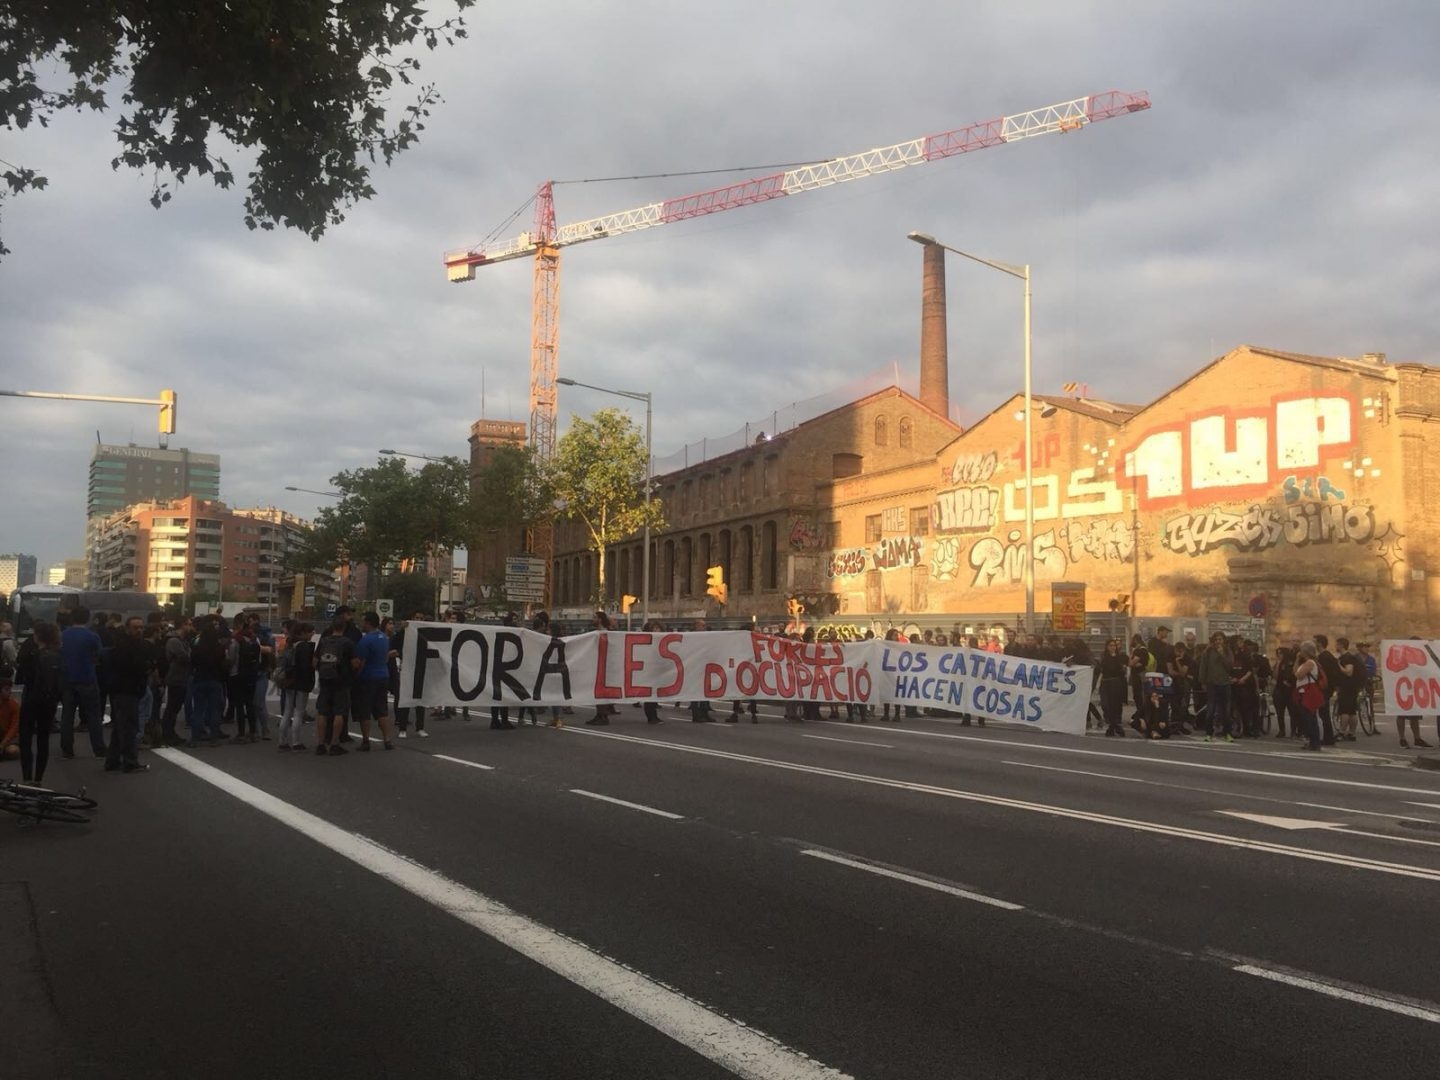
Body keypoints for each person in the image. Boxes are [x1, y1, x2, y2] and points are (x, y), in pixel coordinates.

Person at [14, 621, 63, 783]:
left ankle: (27, 777)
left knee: (26, 739)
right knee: (43, 739)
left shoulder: (33, 655)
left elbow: (21, 678)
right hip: (49, 702)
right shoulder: (58, 655)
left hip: (31, 699)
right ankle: (38, 778)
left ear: (38, 636)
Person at [105, 616, 152, 773]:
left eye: (141, 627)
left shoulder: (129, 645)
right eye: (135, 627)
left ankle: (112, 761)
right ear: (127, 628)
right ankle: (130, 761)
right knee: (129, 727)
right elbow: (135, 667)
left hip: (124, 690)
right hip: (127, 690)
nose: (139, 630)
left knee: (120, 728)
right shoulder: (126, 647)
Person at [59, 606, 106, 759]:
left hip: (67, 678)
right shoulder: (92, 636)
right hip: (87, 677)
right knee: (94, 715)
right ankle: (98, 749)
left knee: (67, 716)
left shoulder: (63, 635)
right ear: (87, 618)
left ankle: (67, 749)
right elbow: (99, 655)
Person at [313, 619, 356, 755]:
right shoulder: (348, 643)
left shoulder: (324, 641)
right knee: (339, 712)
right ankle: (334, 743)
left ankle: (320, 744)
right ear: (344, 628)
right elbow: (355, 663)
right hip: (341, 681)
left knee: (322, 712)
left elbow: (314, 662)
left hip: (325, 680)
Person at [354, 611, 397, 750]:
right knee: (382, 710)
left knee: (365, 711)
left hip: (368, 677)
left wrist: (356, 675)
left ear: (368, 622)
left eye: (363, 621)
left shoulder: (365, 640)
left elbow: (361, 662)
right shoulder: (384, 637)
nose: (362, 624)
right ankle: (387, 740)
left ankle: (366, 741)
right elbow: (385, 657)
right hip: (383, 675)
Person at [187, 619, 228, 747]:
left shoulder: (197, 648)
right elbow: (224, 664)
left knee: (198, 709)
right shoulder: (219, 648)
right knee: (215, 710)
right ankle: (214, 738)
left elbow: (192, 663)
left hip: (199, 679)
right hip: (215, 680)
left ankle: (195, 737)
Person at [278, 622, 316, 751]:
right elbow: (306, 667)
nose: (312, 634)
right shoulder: (305, 647)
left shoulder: (289, 644)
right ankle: (296, 742)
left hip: (289, 680)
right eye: (310, 631)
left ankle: (282, 741)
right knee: (299, 712)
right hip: (301, 682)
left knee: (287, 712)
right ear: (303, 633)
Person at [160, 616, 193, 747]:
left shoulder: (182, 640)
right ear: (182, 625)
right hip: (175, 677)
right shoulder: (174, 640)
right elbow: (185, 657)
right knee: (172, 707)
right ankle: (167, 733)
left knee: (175, 706)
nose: (190, 627)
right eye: (188, 624)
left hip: (181, 676)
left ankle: (170, 732)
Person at [1198, 631, 1233, 741]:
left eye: (1220, 639)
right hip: (1212, 683)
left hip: (1225, 683)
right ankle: (1209, 733)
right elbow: (1203, 667)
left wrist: (1222, 654)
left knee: (1226, 710)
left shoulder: (1227, 651)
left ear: (1223, 641)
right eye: (1216, 639)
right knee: (1211, 709)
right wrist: (1202, 681)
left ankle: (1227, 733)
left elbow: (1230, 666)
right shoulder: (1208, 652)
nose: (1218, 642)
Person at [1293, 641, 1324, 751]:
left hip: (1309, 691)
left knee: (1310, 717)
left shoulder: (1310, 663)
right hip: (1303, 691)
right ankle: (1312, 741)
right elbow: (1295, 672)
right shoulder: (1305, 662)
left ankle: (1314, 742)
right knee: (1307, 717)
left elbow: (1299, 675)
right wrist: (1297, 660)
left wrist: (1298, 666)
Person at [1272, 645, 1296, 738]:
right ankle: (1282, 730)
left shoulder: (1290, 663)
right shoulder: (1278, 663)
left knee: (1292, 712)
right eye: (1278, 654)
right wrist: (1277, 665)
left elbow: (1292, 675)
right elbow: (1275, 676)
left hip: (1289, 690)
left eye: (1281, 653)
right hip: (1279, 689)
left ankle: (1293, 731)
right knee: (1279, 712)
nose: (1279, 655)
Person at [0, 680, 18, 761]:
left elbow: (14, 726)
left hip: (8, 737)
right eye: (7, 689)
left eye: (10, 689)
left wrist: (4, 742)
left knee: (13, 751)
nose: (10, 692)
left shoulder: (13, 704)